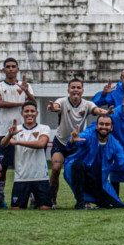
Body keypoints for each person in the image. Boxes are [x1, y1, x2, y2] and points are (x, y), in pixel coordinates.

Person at [46, 78, 112, 208]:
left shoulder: (87, 104)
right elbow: (55, 107)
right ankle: (52, 199)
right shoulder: (62, 101)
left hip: (78, 142)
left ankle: (84, 200)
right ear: (68, 90)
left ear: (82, 90)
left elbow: (96, 110)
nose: (75, 90)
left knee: (83, 170)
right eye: (73, 87)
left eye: (78, 87)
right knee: (56, 168)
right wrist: (52, 107)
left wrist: (105, 112)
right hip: (61, 142)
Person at [63, 114, 124, 209]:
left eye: (107, 124)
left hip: (98, 179)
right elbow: (74, 141)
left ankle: (96, 200)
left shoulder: (115, 144)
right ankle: (80, 203)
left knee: (112, 205)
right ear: (96, 126)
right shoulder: (88, 135)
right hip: (79, 171)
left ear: (111, 128)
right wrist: (72, 141)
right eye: (101, 124)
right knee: (78, 164)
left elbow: (122, 162)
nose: (104, 127)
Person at [0, 57, 35, 209]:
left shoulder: (25, 86)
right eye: (7, 66)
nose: (10, 69)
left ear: (17, 69)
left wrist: (26, 90)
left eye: (13, 66)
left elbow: (33, 103)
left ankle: (30, 197)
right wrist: (22, 104)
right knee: (2, 166)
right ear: (4, 70)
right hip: (4, 132)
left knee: (23, 165)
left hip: (24, 132)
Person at [0, 101, 51, 210]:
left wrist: (18, 142)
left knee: (45, 209)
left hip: (40, 176)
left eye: (32, 111)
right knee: (16, 209)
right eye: (26, 111)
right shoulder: (16, 129)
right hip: (21, 177)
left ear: (37, 113)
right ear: (22, 113)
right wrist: (9, 135)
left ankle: (35, 199)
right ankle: (32, 199)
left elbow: (41, 144)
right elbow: (3, 144)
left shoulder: (44, 128)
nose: (29, 114)